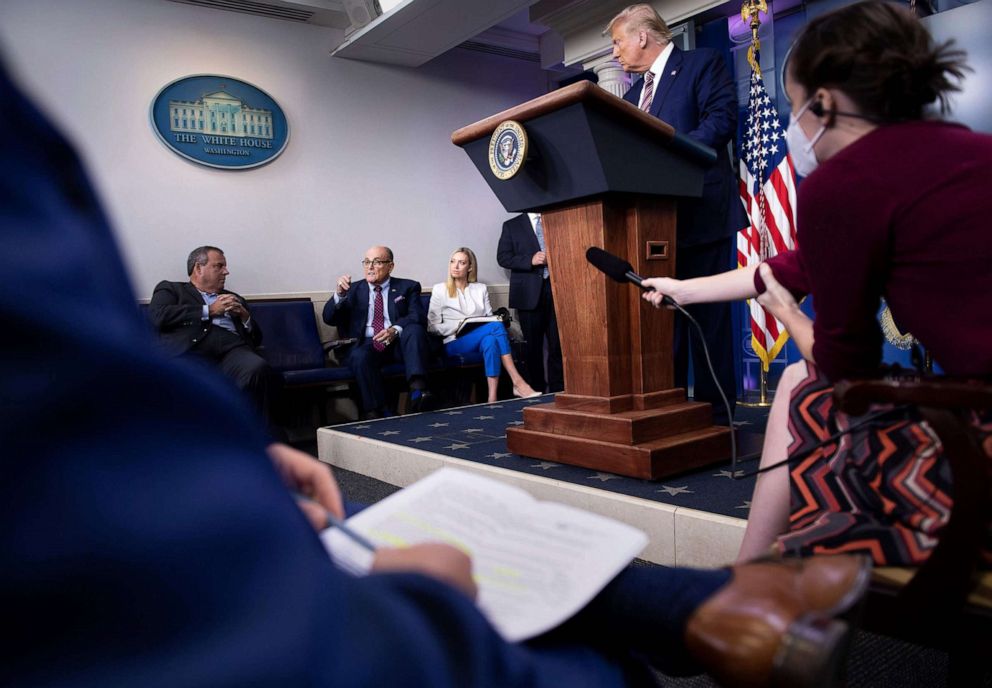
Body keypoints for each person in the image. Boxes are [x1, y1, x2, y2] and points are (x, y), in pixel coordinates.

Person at [3, 53, 872, 688]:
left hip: (164, 523)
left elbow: (65, 422)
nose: (220, 275)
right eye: (214, 266)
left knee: (469, 414)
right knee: (540, 619)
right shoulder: (174, 292)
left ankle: (715, 604)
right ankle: (709, 613)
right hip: (182, 622)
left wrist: (243, 459)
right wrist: (426, 600)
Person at [641, 0, 992, 566]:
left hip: (977, 437)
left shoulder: (846, 182)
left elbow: (843, 372)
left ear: (824, 104)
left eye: (796, 107)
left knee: (799, 383)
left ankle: (752, 584)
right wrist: (681, 289)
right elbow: (786, 268)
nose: (792, 127)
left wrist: (787, 314)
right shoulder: (969, 153)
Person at [606, 4, 739, 419]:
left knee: (708, 324)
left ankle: (718, 419)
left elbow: (721, 121)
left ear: (642, 36)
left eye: (617, 41)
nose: (615, 53)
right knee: (667, 329)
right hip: (651, 228)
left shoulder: (702, 63)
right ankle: (675, 413)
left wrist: (669, 160)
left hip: (702, 216)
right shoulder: (630, 97)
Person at [149, 245, 275, 420]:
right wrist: (209, 310)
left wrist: (244, 316)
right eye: (219, 266)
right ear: (198, 268)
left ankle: (251, 434)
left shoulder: (234, 298)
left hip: (233, 351)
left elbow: (255, 339)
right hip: (190, 351)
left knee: (256, 367)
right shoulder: (171, 289)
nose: (226, 272)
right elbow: (157, 317)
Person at [323, 246, 435, 418]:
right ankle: (377, 412)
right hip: (367, 345)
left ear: (390, 266)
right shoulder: (352, 290)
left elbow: (417, 316)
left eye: (377, 262)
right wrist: (339, 295)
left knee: (414, 329)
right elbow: (328, 318)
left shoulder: (408, 287)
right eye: (367, 262)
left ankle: (418, 392)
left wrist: (395, 330)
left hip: (399, 344)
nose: (370, 267)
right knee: (360, 356)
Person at [428, 247, 540, 403]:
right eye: (453, 262)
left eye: (462, 262)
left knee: (491, 340)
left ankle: (491, 398)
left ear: (470, 267)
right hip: (453, 342)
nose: (456, 266)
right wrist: (458, 325)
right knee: (495, 327)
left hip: (480, 339)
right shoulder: (440, 289)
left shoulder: (480, 289)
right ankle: (518, 381)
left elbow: (489, 318)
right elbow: (432, 327)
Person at [497, 213, 564, 393]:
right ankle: (536, 390)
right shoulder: (512, 225)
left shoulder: (557, 219)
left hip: (558, 289)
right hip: (528, 294)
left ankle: (559, 390)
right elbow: (503, 257)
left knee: (558, 345)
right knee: (532, 347)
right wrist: (530, 260)